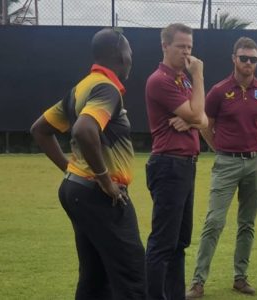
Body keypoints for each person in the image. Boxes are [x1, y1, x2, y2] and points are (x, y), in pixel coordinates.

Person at [30, 28, 146, 299]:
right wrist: (105, 180)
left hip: (78, 190)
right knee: (132, 275)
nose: (132, 57)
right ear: (119, 54)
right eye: (129, 51)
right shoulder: (107, 89)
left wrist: (71, 171)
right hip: (101, 195)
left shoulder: (80, 88)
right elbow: (84, 129)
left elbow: (40, 129)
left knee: (95, 278)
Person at [186, 37, 257, 299]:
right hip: (226, 162)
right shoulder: (218, 90)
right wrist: (221, 148)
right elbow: (205, 124)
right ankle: (198, 282)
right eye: (244, 57)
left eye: (253, 59)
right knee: (214, 221)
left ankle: (240, 277)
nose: (248, 63)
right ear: (233, 59)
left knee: (247, 223)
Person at [144, 23, 207, 300]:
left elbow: (202, 119)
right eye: (181, 46)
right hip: (169, 165)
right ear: (165, 46)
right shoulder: (161, 80)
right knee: (162, 243)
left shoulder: (182, 79)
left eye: (190, 47)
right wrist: (200, 76)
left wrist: (193, 118)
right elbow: (198, 115)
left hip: (184, 165)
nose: (187, 52)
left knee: (179, 242)